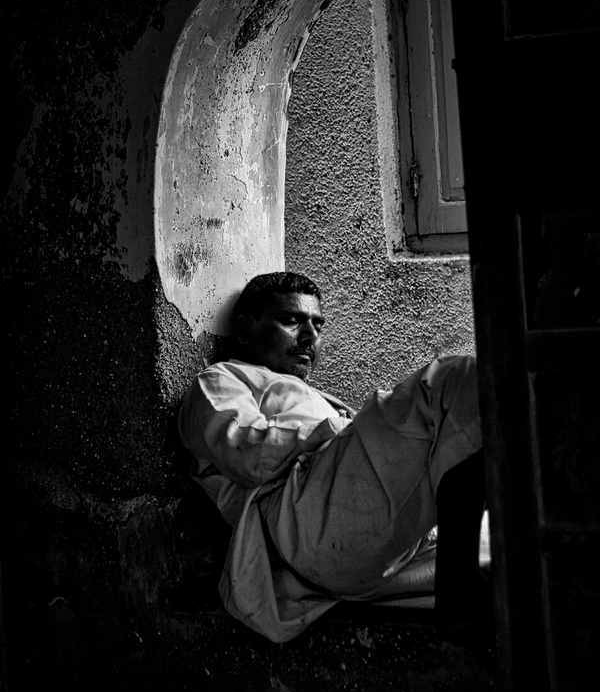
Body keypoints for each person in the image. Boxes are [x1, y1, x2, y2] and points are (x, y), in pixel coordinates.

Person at [179, 272, 491, 643]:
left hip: (363, 549)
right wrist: (342, 431)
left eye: (317, 325)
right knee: (458, 379)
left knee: (513, 547)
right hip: (306, 520)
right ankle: (459, 586)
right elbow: (247, 454)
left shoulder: (315, 397)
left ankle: (459, 566)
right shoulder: (222, 379)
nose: (309, 336)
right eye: (292, 320)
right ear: (245, 330)